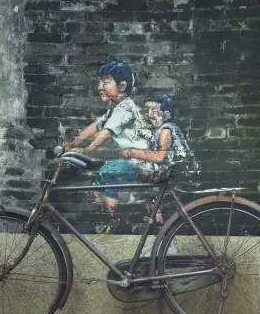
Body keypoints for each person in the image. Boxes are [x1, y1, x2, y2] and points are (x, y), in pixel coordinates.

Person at [65, 60, 152, 214]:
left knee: (107, 173)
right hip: (133, 161)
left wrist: (86, 151)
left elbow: (105, 134)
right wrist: (73, 144)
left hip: (140, 162)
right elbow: (96, 126)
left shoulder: (125, 108)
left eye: (105, 82)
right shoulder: (115, 107)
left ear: (122, 86)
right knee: (101, 181)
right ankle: (110, 213)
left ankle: (113, 217)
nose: (99, 87)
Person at [119, 92, 196, 223]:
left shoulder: (166, 129)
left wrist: (132, 152)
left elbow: (161, 156)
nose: (149, 115)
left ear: (166, 115)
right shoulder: (162, 130)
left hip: (178, 180)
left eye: (153, 111)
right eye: (146, 111)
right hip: (171, 177)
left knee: (152, 201)